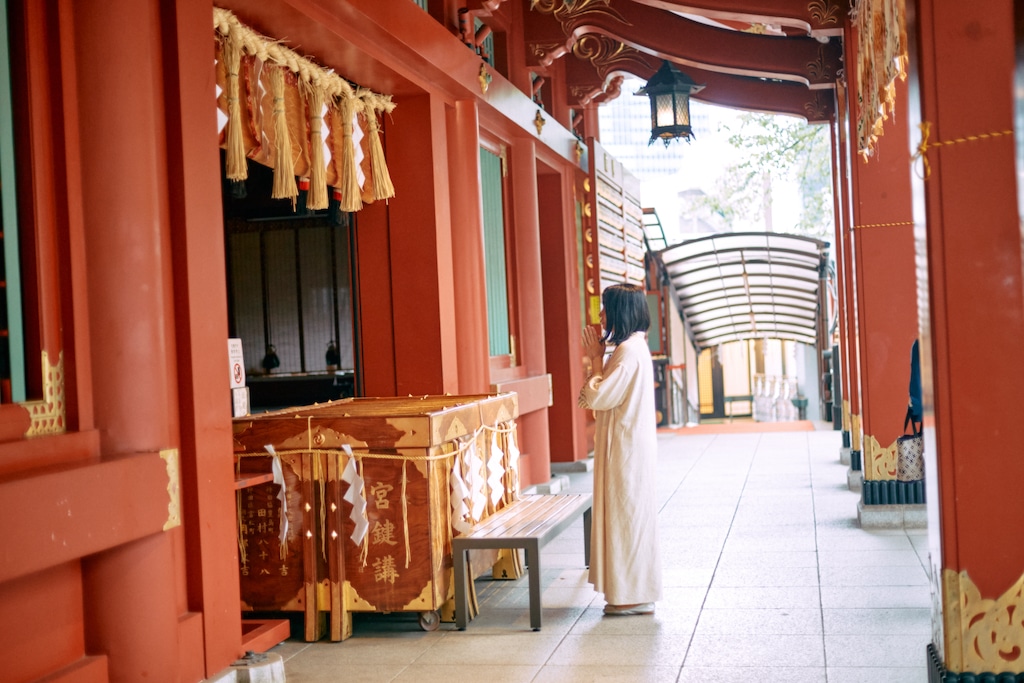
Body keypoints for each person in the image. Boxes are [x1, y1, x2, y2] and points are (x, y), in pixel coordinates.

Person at [578, 283, 662, 616]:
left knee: (626, 516)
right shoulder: (634, 347)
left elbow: (597, 398)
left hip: (625, 449)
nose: (600, 315)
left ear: (619, 311)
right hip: (629, 445)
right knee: (629, 516)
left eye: (605, 308)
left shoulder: (627, 352)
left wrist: (596, 361)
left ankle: (631, 595)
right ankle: (632, 591)